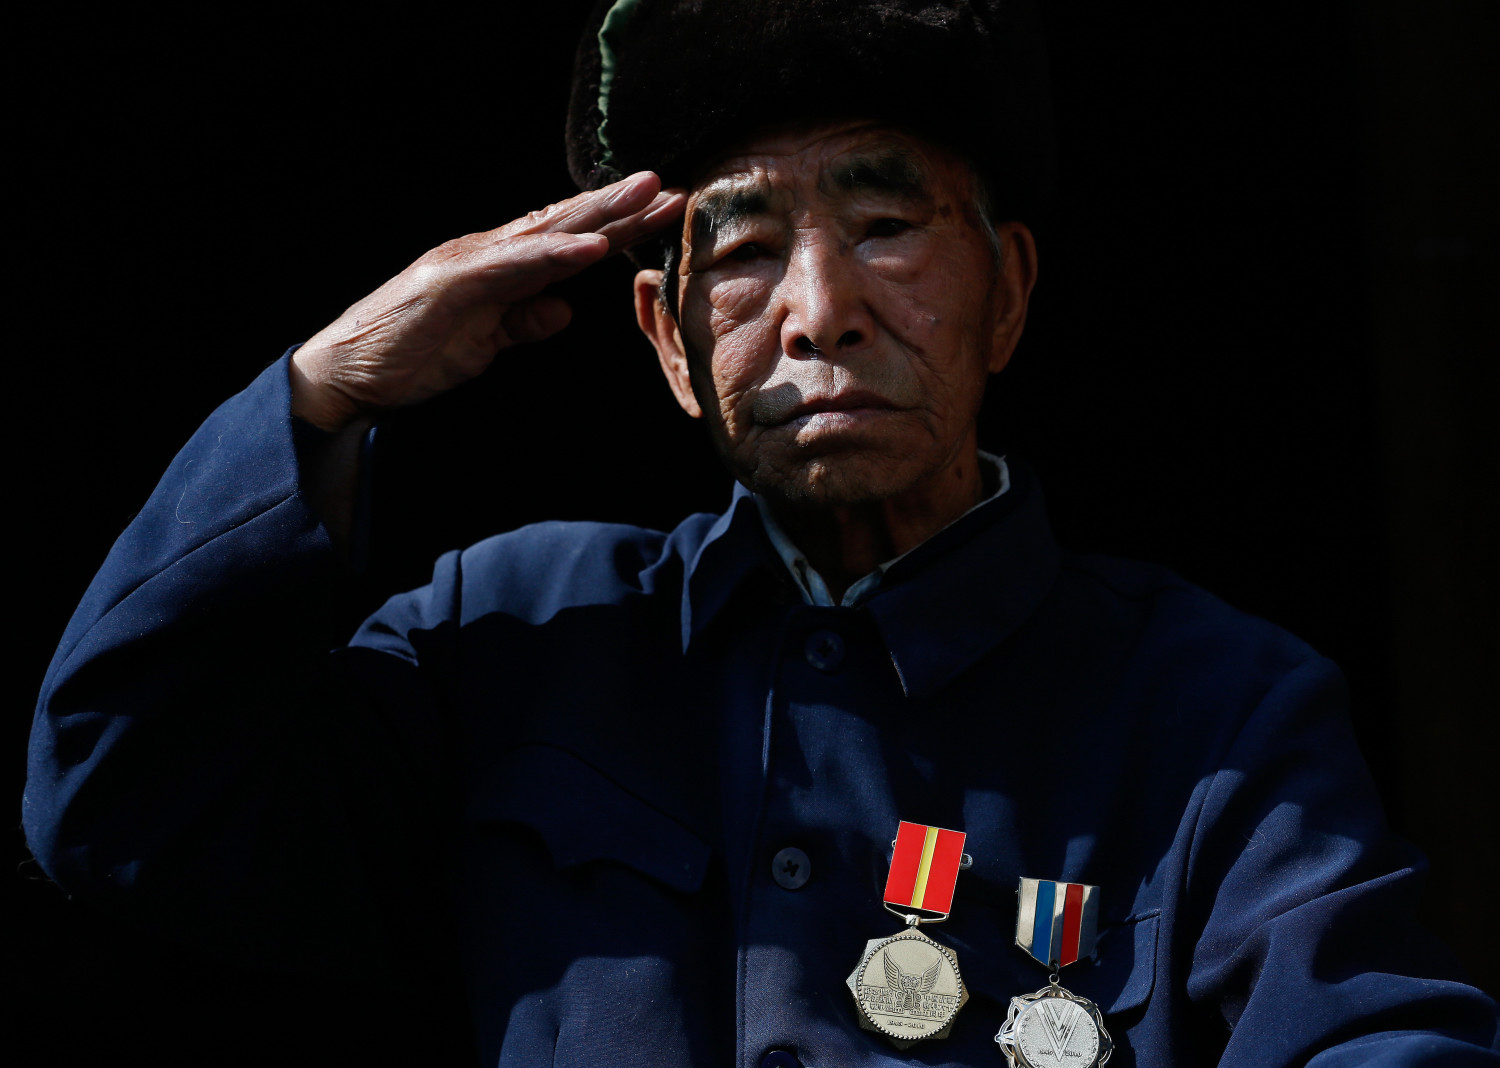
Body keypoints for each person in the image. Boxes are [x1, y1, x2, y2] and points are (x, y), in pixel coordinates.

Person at [23, 1, 1500, 1065]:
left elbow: (1375, 1032)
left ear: (1007, 295)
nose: (818, 311)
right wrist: (325, 392)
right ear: (668, 341)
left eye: (885, 228)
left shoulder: (1214, 706)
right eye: (740, 250)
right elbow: (118, 800)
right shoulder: (521, 634)